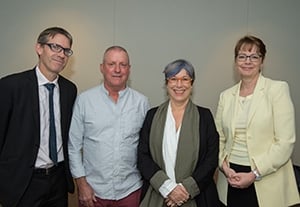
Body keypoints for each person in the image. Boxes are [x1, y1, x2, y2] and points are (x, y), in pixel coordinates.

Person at [215, 35, 300, 207]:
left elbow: (285, 142)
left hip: (265, 177)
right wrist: (223, 166)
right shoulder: (226, 96)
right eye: (242, 56)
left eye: (254, 56)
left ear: (262, 61)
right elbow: (218, 137)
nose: (248, 61)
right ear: (235, 61)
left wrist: (254, 173)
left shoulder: (277, 89)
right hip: (230, 176)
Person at [0, 27, 77, 207]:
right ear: (39, 48)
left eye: (66, 50)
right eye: (55, 47)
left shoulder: (69, 90)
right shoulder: (10, 86)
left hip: (58, 180)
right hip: (23, 181)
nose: (61, 54)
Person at [68, 46, 150, 207]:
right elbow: (73, 147)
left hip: (130, 191)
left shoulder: (142, 103)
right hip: (93, 192)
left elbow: (147, 148)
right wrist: (82, 185)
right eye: (111, 64)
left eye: (123, 64)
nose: (117, 70)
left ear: (129, 69)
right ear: (102, 68)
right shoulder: (84, 101)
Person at [138, 59, 220, 207]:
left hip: (198, 197)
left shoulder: (205, 116)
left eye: (185, 79)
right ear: (166, 83)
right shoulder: (152, 115)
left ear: (192, 83)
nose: (179, 85)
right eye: (173, 79)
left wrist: (185, 189)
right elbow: (143, 157)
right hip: (158, 195)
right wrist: (169, 188)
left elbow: (211, 159)